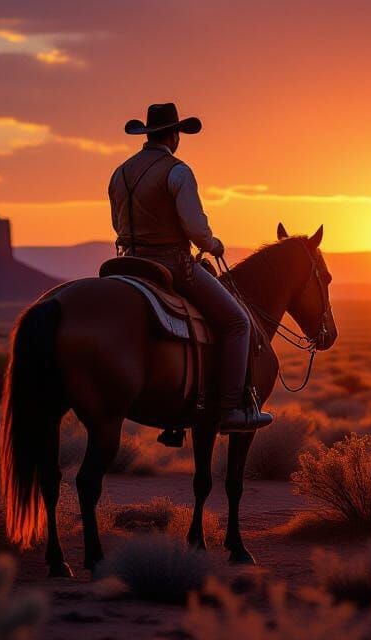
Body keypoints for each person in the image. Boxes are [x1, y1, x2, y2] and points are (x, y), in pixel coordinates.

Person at [108, 102, 273, 436]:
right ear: (174, 134)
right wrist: (213, 245)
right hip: (171, 264)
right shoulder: (178, 171)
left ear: (147, 133)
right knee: (237, 322)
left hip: (127, 263)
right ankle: (228, 409)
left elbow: (116, 222)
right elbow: (195, 228)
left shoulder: (120, 172)